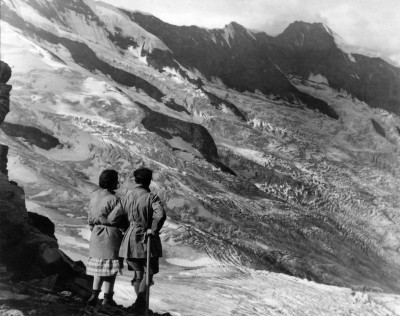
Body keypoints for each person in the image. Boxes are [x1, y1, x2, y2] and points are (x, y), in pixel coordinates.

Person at [108, 167, 166, 312]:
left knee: (138, 273)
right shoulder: (151, 197)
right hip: (147, 239)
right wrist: (153, 230)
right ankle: (140, 303)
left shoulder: (127, 197)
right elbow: (160, 215)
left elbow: (112, 218)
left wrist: (125, 228)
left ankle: (139, 305)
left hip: (130, 239)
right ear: (149, 181)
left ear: (136, 180)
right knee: (149, 273)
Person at [86, 169, 127, 308]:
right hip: (111, 236)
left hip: (96, 234)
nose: (118, 182)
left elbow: (90, 219)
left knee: (98, 268)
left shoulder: (94, 196)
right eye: (116, 179)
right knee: (110, 271)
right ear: (112, 182)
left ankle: (94, 295)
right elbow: (120, 221)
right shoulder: (115, 200)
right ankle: (107, 299)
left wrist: (96, 229)